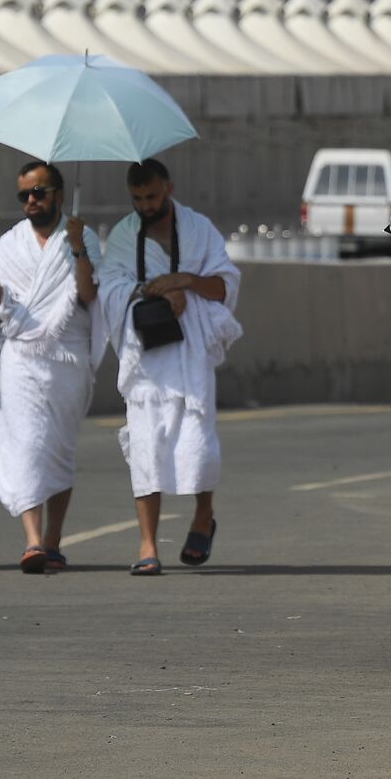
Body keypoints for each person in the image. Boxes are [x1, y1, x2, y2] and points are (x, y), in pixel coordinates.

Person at [98, 159, 243, 576]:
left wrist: (185, 283)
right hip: (145, 357)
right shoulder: (125, 235)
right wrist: (152, 292)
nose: (145, 205)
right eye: (138, 199)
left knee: (198, 444)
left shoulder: (199, 229)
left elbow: (224, 286)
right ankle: (147, 545)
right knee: (146, 450)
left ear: (169, 189)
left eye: (153, 197)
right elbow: (111, 289)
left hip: (191, 355)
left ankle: (203, 516)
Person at [0, 162, 105, 573]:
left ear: (59, 195)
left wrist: (79, 246)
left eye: (39, 192)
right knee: (26, 443)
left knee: (59, 448)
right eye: (24, 195)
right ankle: (32, 541)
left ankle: (53, 540)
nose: (31, 200)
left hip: (67, 355)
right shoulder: (11, 243)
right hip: (22, 357)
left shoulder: (83, 238)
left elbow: (86, 295)